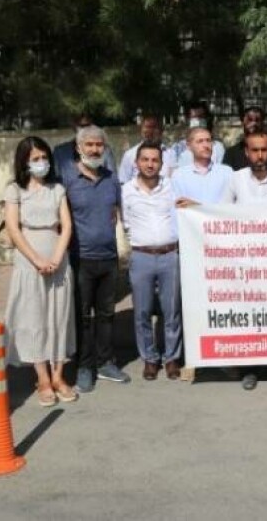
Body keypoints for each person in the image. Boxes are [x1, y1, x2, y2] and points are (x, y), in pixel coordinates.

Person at [3, 137, 77, 407]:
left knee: (59, 316)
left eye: (44, 157)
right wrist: (36, 259)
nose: (41, 163)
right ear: (24, 161)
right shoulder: (14, 190)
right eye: (35, 159)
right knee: (34, 316)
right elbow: (13, 228)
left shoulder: (57, 188)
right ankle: (42, 379)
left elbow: (66, 226)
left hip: (57, 259)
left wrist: (56, 257)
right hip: (29, 260)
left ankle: (58, 375)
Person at [221, 131, 267, 390]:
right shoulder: (236, 179)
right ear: (246, 152)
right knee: (250, 317)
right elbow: (221, 214)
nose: (260, 155)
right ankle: (249, 369)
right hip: (245, 263)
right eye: (255, 150)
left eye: (264, 150)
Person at [62, 125, 130, 393]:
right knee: (82, 316)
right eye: (89, 144)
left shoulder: (111, 179)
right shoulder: (68, 179)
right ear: (79, 147)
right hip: (81, 259)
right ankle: (83, 366)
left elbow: (118, 213)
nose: (94, 149)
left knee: (106, 314)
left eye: (98, 145)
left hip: (109, 259)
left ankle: (105, 362)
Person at [122, 142, 183, 381]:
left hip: (170, 255)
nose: (150, 164)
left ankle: (171, 357)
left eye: (155, 160)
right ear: (136, 163)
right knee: (142, 311)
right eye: (145, 159)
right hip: (141, 256)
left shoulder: (172, 186)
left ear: (161, 163)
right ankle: (149, 358)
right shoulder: (126, 190)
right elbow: (124, 222)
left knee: (172, 310)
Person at [172, 127, 235, 207]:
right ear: (189, 146)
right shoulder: (179, 176)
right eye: (200, 141)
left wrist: (197, 206)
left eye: (208, 140)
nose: (206, 145)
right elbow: (177, 207)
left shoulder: (227, 173)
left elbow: (231, 208)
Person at [165, 100, 226, 175]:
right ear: (188, 120)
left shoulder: (217, 147)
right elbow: (171, 175)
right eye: (194, 117)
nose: (198, 121)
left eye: (201, 117)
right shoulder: (177, 148)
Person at [52, 113, 116, 181]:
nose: (83, 129)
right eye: (81, 126)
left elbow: (112, 177)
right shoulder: (60, 151)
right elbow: (54, 178)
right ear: (73, 125)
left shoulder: (105, 150)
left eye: (87, 126)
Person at [117, 114, 164, 184]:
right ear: (141, 130)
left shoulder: (171, 154)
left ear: (161, 130)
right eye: (147, 127)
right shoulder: (130, 155)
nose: (150, 131)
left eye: (154, 127)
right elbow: (123, 182)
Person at [224, 106, 266, 171]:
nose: (253, 123)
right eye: (250, 119)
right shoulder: (231, 153)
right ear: (243, 122)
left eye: (257, 120)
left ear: (262, 123)